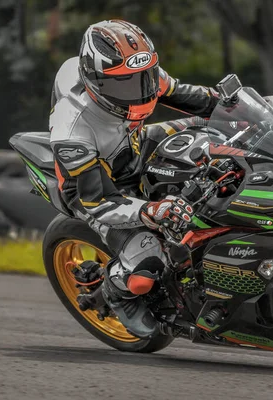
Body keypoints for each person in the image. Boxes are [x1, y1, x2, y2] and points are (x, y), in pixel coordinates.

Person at [49, 20, 219, 339]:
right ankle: (118, 291)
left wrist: (259, 109)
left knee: (213, 130)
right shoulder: (72, 133)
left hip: (134, 143)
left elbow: (189, 96)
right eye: (123, 85)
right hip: (97, 186)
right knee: (148, 265)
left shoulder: (140, 73)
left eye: (143, 79)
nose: (139, 90)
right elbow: (98, 200)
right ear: (94, 82)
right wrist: (149, 212)